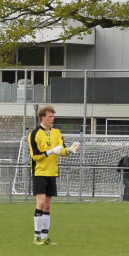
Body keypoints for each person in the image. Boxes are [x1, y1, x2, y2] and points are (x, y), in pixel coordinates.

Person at [28, 105, 78, 245]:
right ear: (42, 117)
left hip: (52, 173)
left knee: (48, 206)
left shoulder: (57, 132)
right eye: (50, 116)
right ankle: (36, 237)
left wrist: (69, 151)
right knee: (41, 202)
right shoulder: (34, 134)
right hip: (39, 172)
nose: (52, 119)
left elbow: (61, 150)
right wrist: (51, 151)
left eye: (53, 116)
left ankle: (45, 238)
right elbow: (35, 156)